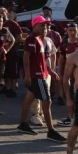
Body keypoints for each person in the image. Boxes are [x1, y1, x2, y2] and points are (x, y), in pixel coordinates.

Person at [17, 15, 67, 143]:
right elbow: (26, 57)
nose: (45, 28)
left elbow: (42, 60)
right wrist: (27, 74)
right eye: (42, 25)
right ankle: (51, 131)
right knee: (47, 101)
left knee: (29, 99)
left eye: (46, 25)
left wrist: (50, 71)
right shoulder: (32, 39)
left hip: (42, 73)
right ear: (35, 26)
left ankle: (23, 124)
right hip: (37, 75)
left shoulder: (41, 39)